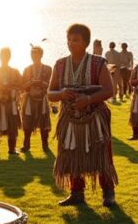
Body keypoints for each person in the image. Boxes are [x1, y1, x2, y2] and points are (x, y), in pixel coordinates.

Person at [48, 23, 118, 207]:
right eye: (69, 39)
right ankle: (76, 192)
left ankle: (108, 192)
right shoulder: (60, 64)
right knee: (71, 152)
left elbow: (109, 90)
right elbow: (50, 93)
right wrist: (62, 94)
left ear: (86, 42)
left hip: (94, 117)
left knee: (101, 153)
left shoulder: (98, 63)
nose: (71, 43)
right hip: (70, 118)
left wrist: (88, 100)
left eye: (76, 40)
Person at [19, 42, 53, 152]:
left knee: (44, 122)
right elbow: (22, 87)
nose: (34, 56)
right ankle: (26, 145)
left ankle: (45, 145)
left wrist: (40, 83)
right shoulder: (26, 69)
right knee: (27, 122)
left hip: (42, 98)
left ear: (41, 55)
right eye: (32, 54)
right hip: (29, 99)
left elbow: (51, 85)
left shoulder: (48, 69)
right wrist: (30, 83)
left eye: (36, 54)